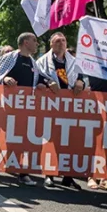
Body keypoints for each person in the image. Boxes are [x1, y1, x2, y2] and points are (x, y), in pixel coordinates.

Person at [0, 32, 57, 186]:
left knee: (21, 140)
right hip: (4, 107)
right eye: (34, 40)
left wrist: (46, 83)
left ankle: (22, 173)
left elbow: (39, 78)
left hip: (23, 110)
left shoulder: (33, 62)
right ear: (26, 42)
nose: (37, 43)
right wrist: (5, 79)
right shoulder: (10, 57)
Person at [36, 32, 84, 189]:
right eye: (57, 41)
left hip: (70, 108)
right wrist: (47, 82)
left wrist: (80, 82)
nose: (61, 43)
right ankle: (49, 174)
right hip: (50, 107)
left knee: (69, 142)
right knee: (51, 140)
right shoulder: (42, 61)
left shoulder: (75, 62)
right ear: (51, 44)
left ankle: (68, 177)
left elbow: (82, 77)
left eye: (63, 40)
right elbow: (37, 78)